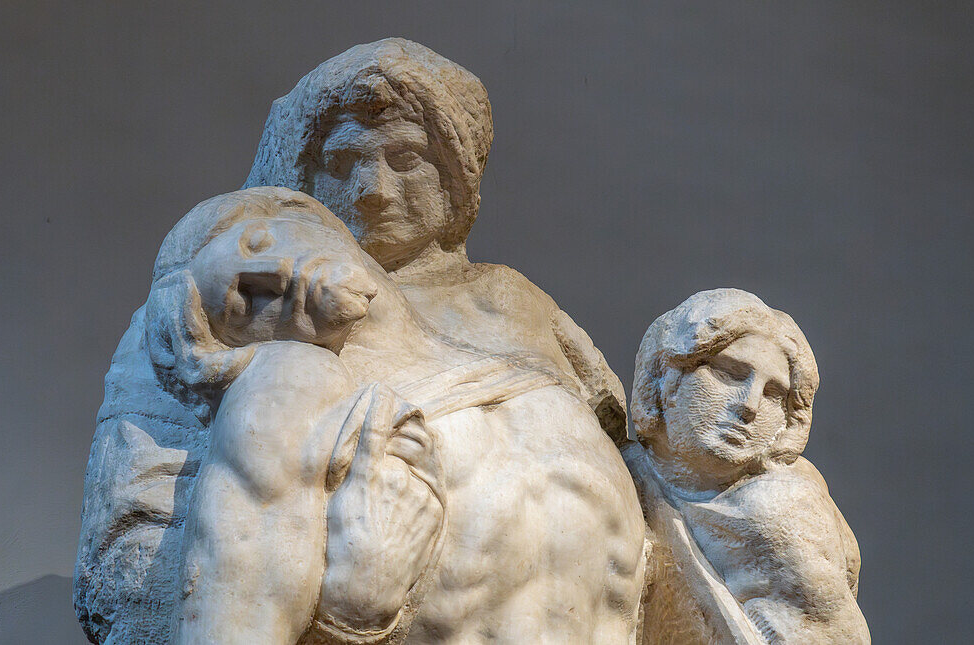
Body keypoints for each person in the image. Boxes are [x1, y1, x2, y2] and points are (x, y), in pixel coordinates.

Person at [146, 187, 645, 643]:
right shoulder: (291, 389)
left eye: (258, 242)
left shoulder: (517, 359)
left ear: (313, 218)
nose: (279, 273)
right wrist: (353, 612)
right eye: (244, 302)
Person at [244, 37, 627, 441]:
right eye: (342, 162)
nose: (372, 189)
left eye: (406, 159)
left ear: (456, 184)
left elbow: (612, 456)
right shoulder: (254, 303)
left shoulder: (513, 303)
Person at [624, 289, 870, 644]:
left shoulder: (778, 510)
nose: (750, 406)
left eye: (773, 394)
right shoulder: (625, 472)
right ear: (667, 376)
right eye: (730, 374)